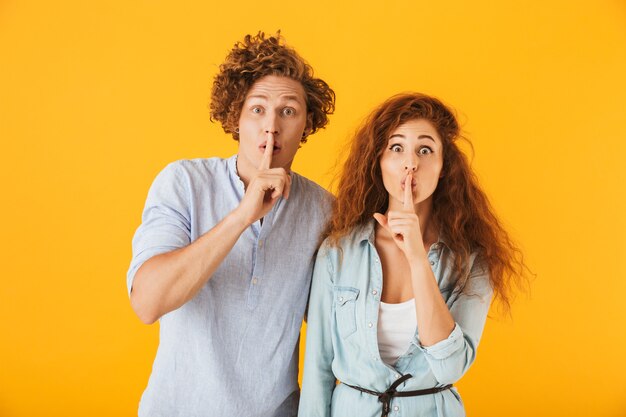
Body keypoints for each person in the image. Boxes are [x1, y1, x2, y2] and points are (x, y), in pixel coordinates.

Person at [127, 32, 335, 417]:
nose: (271, 126)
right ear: (234, 118)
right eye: (257, 109)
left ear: (307, 125)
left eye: (288, 111)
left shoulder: (326, 211)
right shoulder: (183, 183)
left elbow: (335, 326)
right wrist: (242, 216)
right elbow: (147, 303)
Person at [298, 93, 526, 417]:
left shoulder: (472, 260)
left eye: (425, 149)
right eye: (396, 148)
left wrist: (418, 258)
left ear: (444, 165)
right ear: (378, 161)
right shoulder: (338, 253)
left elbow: (450, 367)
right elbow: (318, 368)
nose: (411, 163)